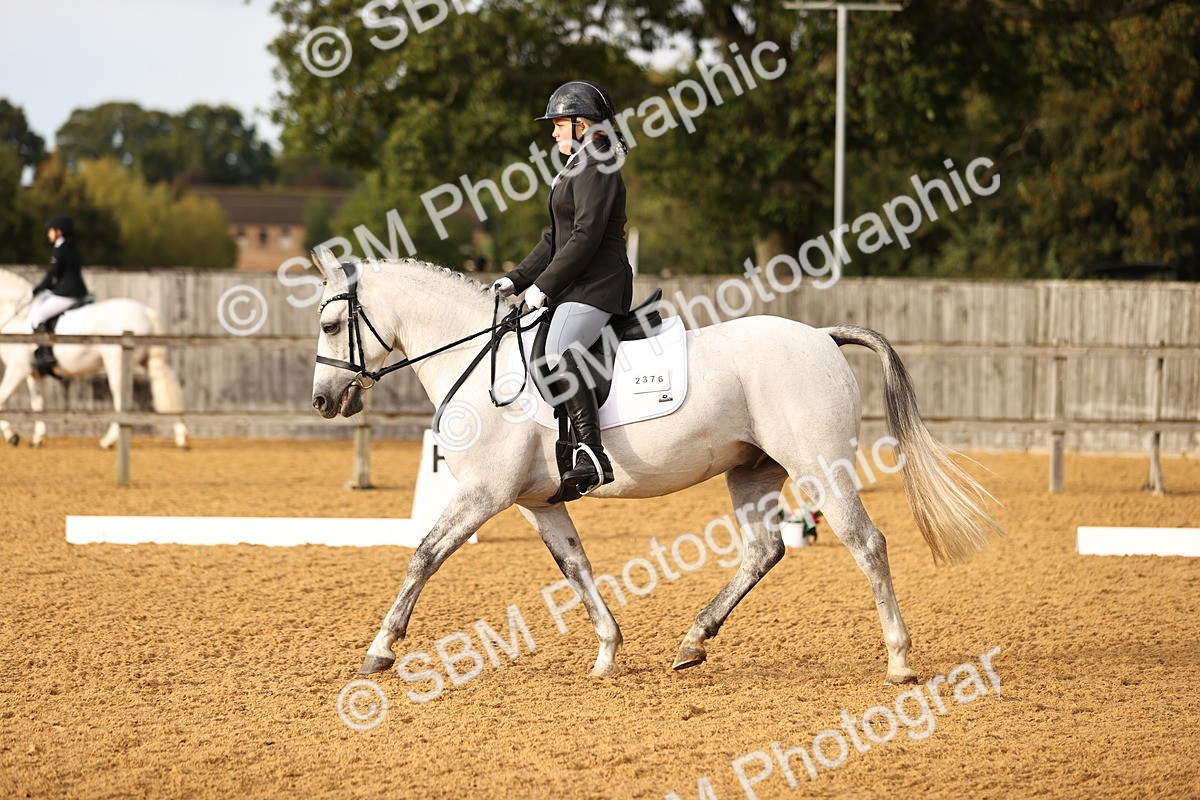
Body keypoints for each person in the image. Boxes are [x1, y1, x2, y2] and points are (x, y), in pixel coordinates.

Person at [493, 80, 634, 493]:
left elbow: (585, 236)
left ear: (581, 124)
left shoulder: (598, 163)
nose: (553, 133)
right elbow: (555, 238)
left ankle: (591, 453)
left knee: (557, 352)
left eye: (558, 125)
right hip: (578, 283)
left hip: (598, 285)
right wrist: (517, 278)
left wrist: (544, 286)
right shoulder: (577, 165)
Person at [28, 214, 89, 376]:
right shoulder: (72, 248)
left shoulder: (60, 249)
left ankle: (46, 354)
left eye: (51, 230)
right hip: (77, 291)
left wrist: (38, 289)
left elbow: (53, 274)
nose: (48, 233)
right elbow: (62, 275)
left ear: (59, 231)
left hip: (67, 293)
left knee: (38, 317)